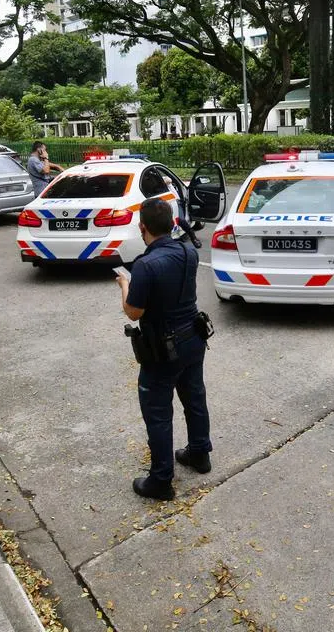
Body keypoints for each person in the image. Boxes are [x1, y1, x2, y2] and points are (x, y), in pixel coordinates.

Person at [115, 198, 211, 501]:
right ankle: (199, 453)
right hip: (194, 338)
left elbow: (134, 312)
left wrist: (125, 285)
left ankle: (160, 480)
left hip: (163, 349)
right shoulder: (188, 251)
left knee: (157, 413)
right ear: (172, 224)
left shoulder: (145, 265)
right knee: (194, 397)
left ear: (142, 227)